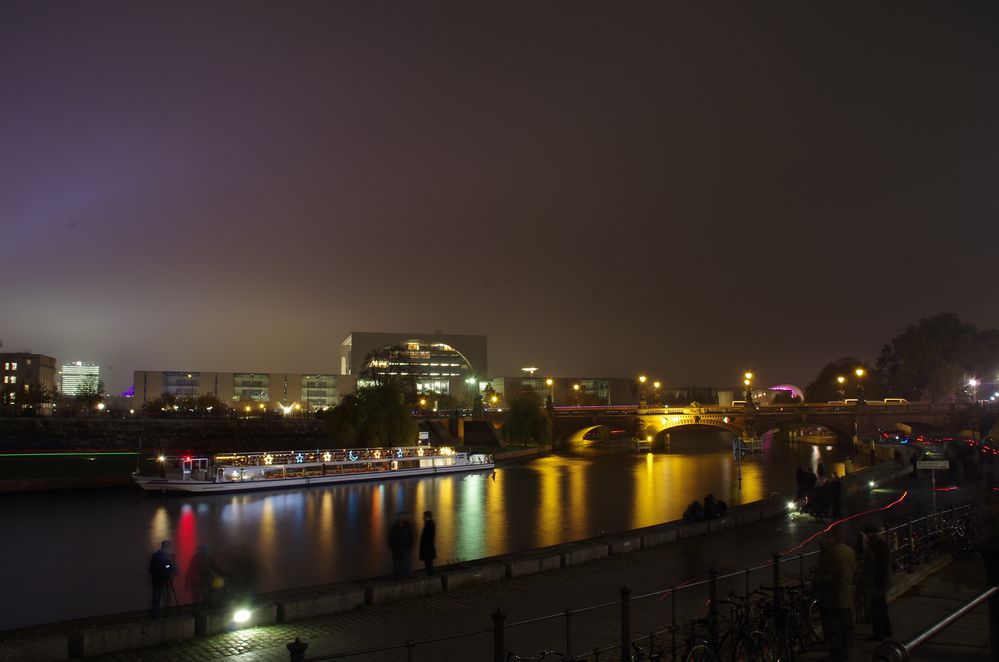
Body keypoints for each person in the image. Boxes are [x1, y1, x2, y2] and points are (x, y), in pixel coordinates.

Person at [813, 527, 856, 661]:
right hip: (847, 596)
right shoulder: (849, 551)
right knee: (844, 628)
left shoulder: (830, 553)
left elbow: (819, 574)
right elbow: (853, 569)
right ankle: (844, 654)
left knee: (834, 628)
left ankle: (836, 655)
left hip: (833, 598)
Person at [865, 527, 893, 640]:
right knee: (882, 606)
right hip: (884, 580)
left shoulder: (874, 549)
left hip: (877, 581)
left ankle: (879, 634)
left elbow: (871, 568)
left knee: (875, 608)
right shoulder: (883, 546)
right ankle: (887, 630)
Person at [185, 545, 224, 613]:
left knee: (195, 599)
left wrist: (186, 583)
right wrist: (223, 573)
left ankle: (195, 613)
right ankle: (204, 613)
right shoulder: (208, 558)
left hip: (195, 582)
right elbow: (215, 568)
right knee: (205, 598)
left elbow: (190, 571)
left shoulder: (194, 558)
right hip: (205, 581)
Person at [149, 540, 177, 618]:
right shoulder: (159, 556)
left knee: (158, 598)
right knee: (161, 598)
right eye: (169, 547)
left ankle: (156, 615)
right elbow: (154, 569)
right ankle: (162, 615)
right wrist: (168, 567)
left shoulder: (156, 555)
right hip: (160, 580)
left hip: (159, 580)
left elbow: (151, 569)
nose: (170, 548)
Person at [387, 512, 415, 580]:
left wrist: (408, 547)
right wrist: (392, 546)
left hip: (404, 549)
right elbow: (391, 537)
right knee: (397, 564)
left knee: (404, 564)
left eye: (402, 517)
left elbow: (411, 538)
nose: (401, 518)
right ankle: (398, 577)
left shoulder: (407, 527)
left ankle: (403, 578)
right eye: (400, 517)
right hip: (397, 549)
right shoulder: (395, 527)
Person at [419, 511, 437, 576]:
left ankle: (432, 580)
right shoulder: (430, 524)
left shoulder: (429, 525)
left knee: (429, 566)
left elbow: (428, 538)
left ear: (427, 516)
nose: (423, 517)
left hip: (428, 550)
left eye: (424, 516)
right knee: (429, 565)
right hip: (429, 549)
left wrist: (424, 548)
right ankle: (432, 578)